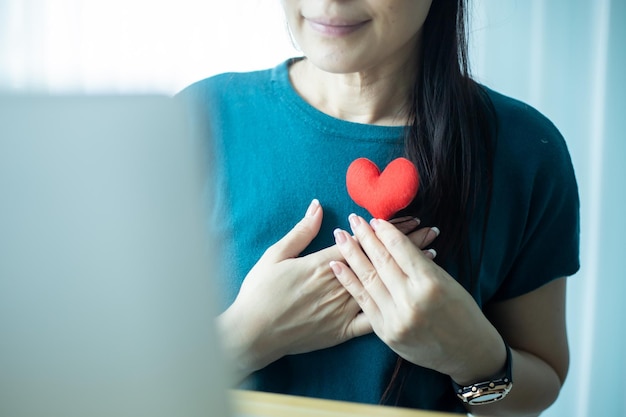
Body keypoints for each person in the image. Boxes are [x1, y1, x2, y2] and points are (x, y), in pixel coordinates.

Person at [178, 0, 580, 415]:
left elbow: (536, 390)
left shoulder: (526, 151)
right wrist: (248, 337)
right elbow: (119, 377)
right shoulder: (195, 119)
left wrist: (472, 355)